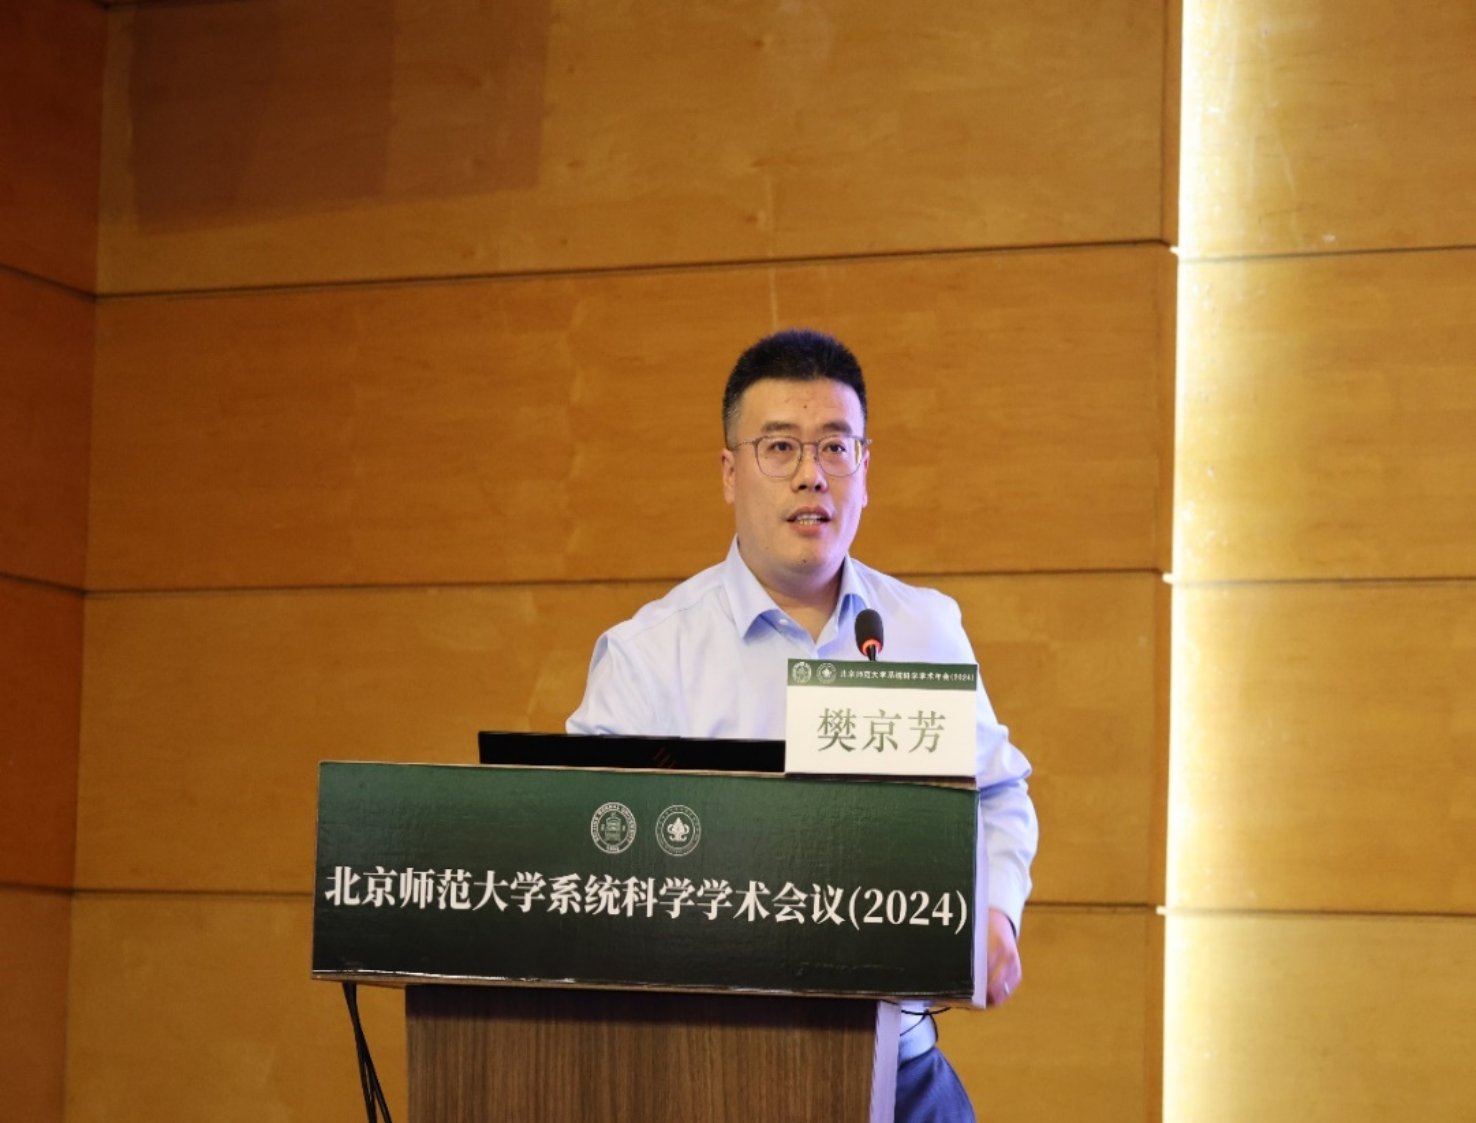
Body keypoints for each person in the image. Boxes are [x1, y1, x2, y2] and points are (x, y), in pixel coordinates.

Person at [568, 328, 1038, 1122]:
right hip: (713, 1077)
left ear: (865, 468)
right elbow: (588, 851)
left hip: (903, 1071)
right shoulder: (648, 654)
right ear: (730, 472)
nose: (811, 474)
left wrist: (996, 908)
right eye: (780, 446)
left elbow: (995, 794)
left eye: (835, 447)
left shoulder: (923, 629)